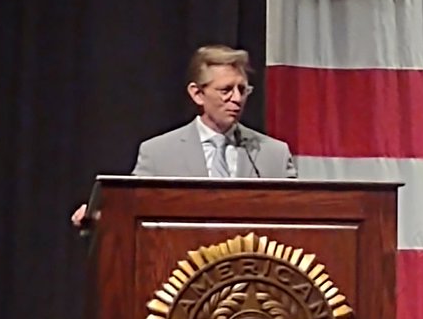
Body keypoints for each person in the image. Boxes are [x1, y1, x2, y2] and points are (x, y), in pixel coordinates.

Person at [71, 44, 296, 226]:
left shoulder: (272, 154)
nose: (237, 99)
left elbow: (298, 216)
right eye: (226, 90)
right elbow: (132, 211)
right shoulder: (159, 153)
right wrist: (99, 217)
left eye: (242, 89)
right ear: (197, 94)